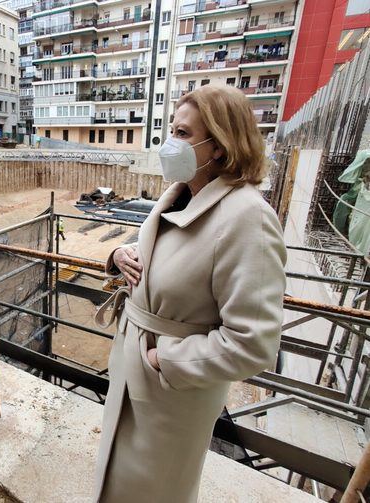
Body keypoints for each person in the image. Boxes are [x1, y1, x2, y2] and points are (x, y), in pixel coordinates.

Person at [93, 85, 286, 502]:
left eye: (182, 133)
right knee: (117, 482)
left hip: (171, 392)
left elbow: (254, 343)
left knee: (154, 490)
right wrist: (119, 253)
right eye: (171, 130)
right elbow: (170, 259)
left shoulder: (248, 217)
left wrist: (165, 360)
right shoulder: (181, 193)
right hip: (133, 371)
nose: (169, 143)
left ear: (217, 145)